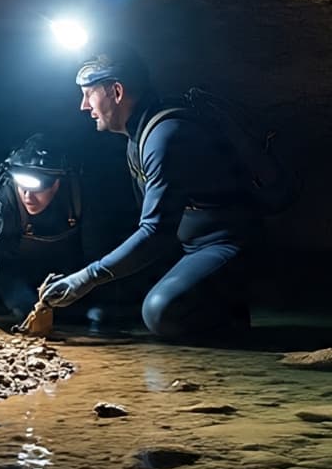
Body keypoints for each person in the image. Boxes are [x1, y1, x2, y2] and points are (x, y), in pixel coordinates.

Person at [40, 49, 260, 339]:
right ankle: (218, 307)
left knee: (158, 312)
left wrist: (88, 277)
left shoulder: (164, 137)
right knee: (111, 303)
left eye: (89, 94)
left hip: (228, 246)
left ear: (116, 91)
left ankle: (233, 335)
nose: (83, 106)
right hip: (188, 247)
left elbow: (156, 231)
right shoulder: (139, 138)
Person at [0, 133, 93, 328]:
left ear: (57, 182)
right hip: (16, 274)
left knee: (89, 318)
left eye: (36, 188)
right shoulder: (3, 203)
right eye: (21, 185)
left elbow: (100, 253)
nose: (27, 195)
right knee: (31, 318)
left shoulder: (79, 197)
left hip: (70, 274)